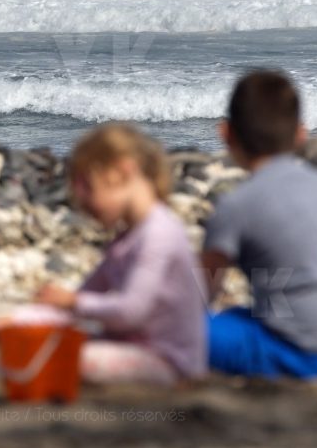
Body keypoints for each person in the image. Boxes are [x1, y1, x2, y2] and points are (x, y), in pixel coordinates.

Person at [201, 70, 317, 379]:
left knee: (191, 326)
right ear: (301, 135)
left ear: (226, 135)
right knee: (238, 316)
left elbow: (199, 293)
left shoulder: (237, 204)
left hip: (296, 354)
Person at [35, 123, 208, 386]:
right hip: (133, 346)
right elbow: (87, 293)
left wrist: (72, 302)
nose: (81, 201)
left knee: (64, 356)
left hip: (169, 362)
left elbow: (131, 311)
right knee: (49, 343)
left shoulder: (158, 232)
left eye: (88, 186)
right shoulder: (127, 238)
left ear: (123, 170)